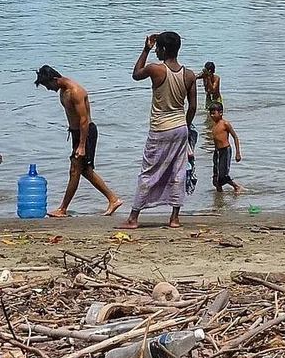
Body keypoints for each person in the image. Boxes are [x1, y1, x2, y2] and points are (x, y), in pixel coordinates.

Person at [120, 32, 197, 229]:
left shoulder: (156, 70)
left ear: (163, 49)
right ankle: (174, 218)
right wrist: (186, 124)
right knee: (178, 172)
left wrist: (145, 48)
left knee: (149, 171)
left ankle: (133, 218)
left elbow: (136, 74)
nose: (155, 51)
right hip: (180, 129)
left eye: (157, 49)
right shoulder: (189, 75)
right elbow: (193, 107)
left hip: (160, 129)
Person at [34, 65, 123, 217]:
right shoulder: (62, 91)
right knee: (85, 171)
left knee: (75, 170)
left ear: (55, 80)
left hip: (86, 133)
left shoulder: (75, 92)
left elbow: (83, 120)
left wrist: (82, 145)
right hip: (77, 134)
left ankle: (63, 209)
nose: (48, 89)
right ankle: (113, 199)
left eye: (48, 85)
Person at [208, 103, 244, 193]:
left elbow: (235, 137)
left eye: (213, 113)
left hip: (225, 150)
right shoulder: (214, 126)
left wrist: (238, 153)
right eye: (210, 113)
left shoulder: (225, 124)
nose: (212, 115)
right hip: (217, 152)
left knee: (223, 175)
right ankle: (219, 195)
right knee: (216, 177)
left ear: (220, 112)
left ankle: (236, 186)